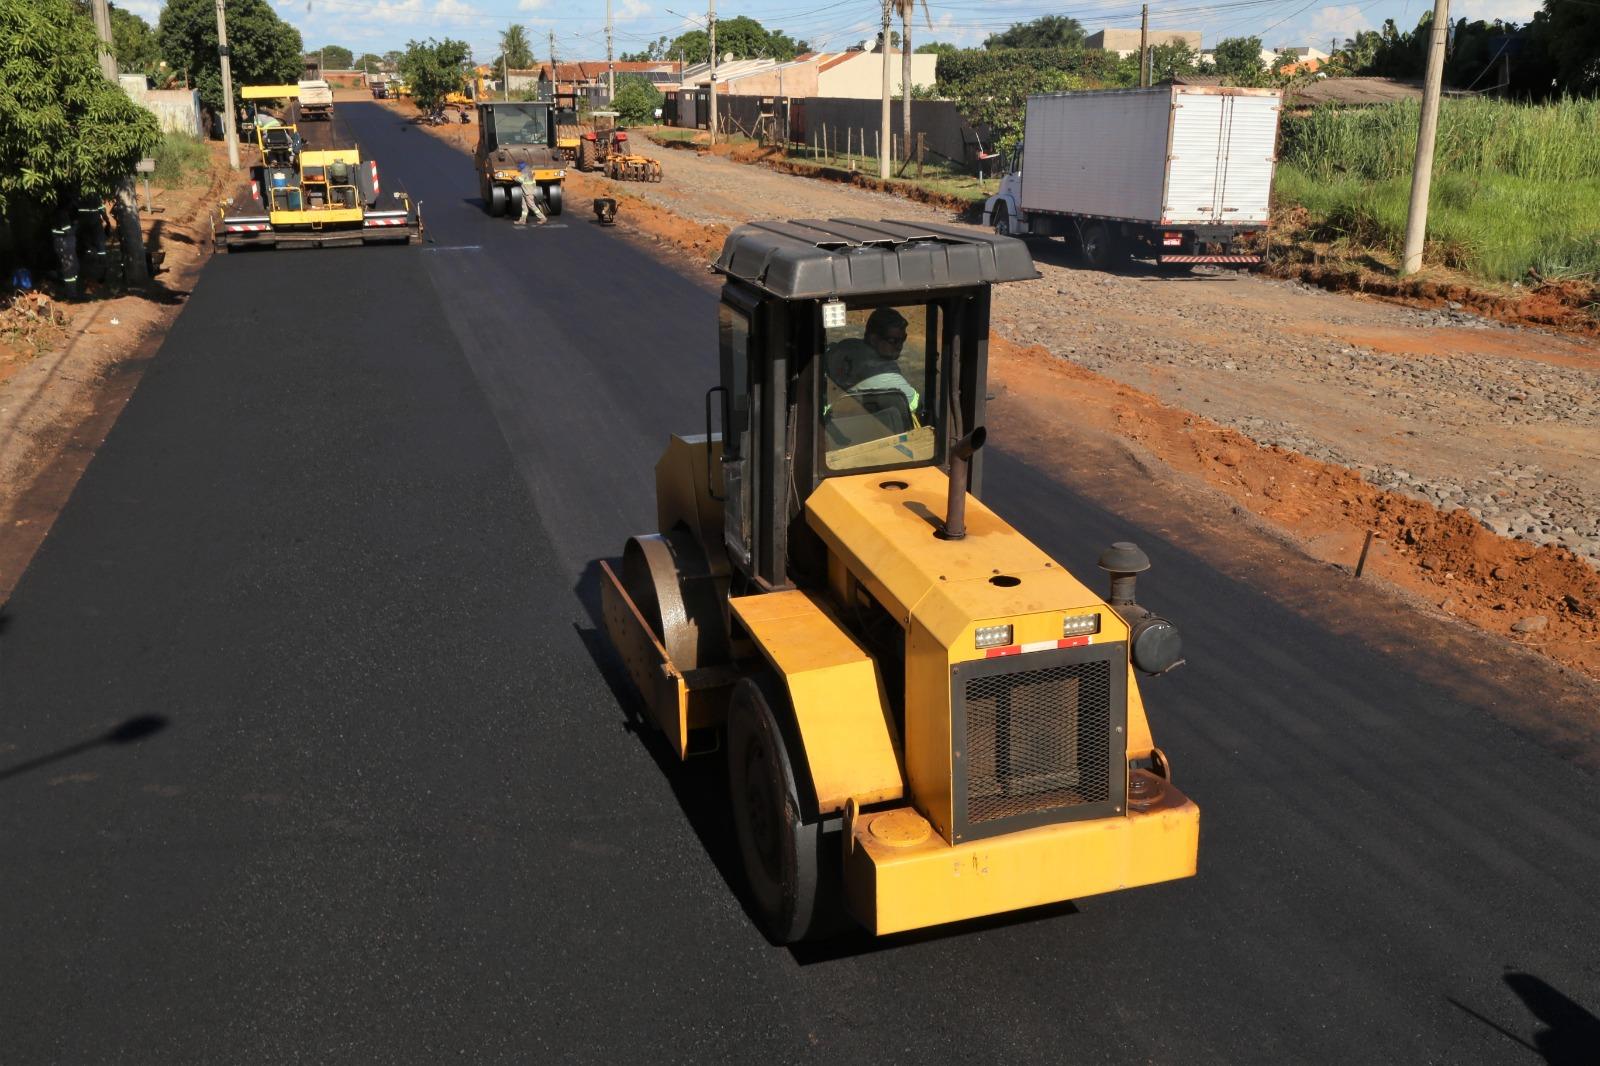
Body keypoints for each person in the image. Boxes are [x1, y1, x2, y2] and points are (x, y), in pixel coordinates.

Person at [825, 307, 919, 414]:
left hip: (827, 418)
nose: (900, 346)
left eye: (903, 339)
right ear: (874, 339)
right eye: (893, 341)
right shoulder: (884, 372)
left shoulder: (847, 345)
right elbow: (913, 404)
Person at [513, 162, 546, 227]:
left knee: (532, 206)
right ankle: (522, 220)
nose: (519, 169)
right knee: (524, 207)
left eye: (520, 168)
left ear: (522, 168)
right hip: (526, 192)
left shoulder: (525, 173)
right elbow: (534, 184)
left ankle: (543, 218)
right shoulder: (531, 173)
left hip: (528, 193)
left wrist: (514, 177)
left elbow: (519, 180)